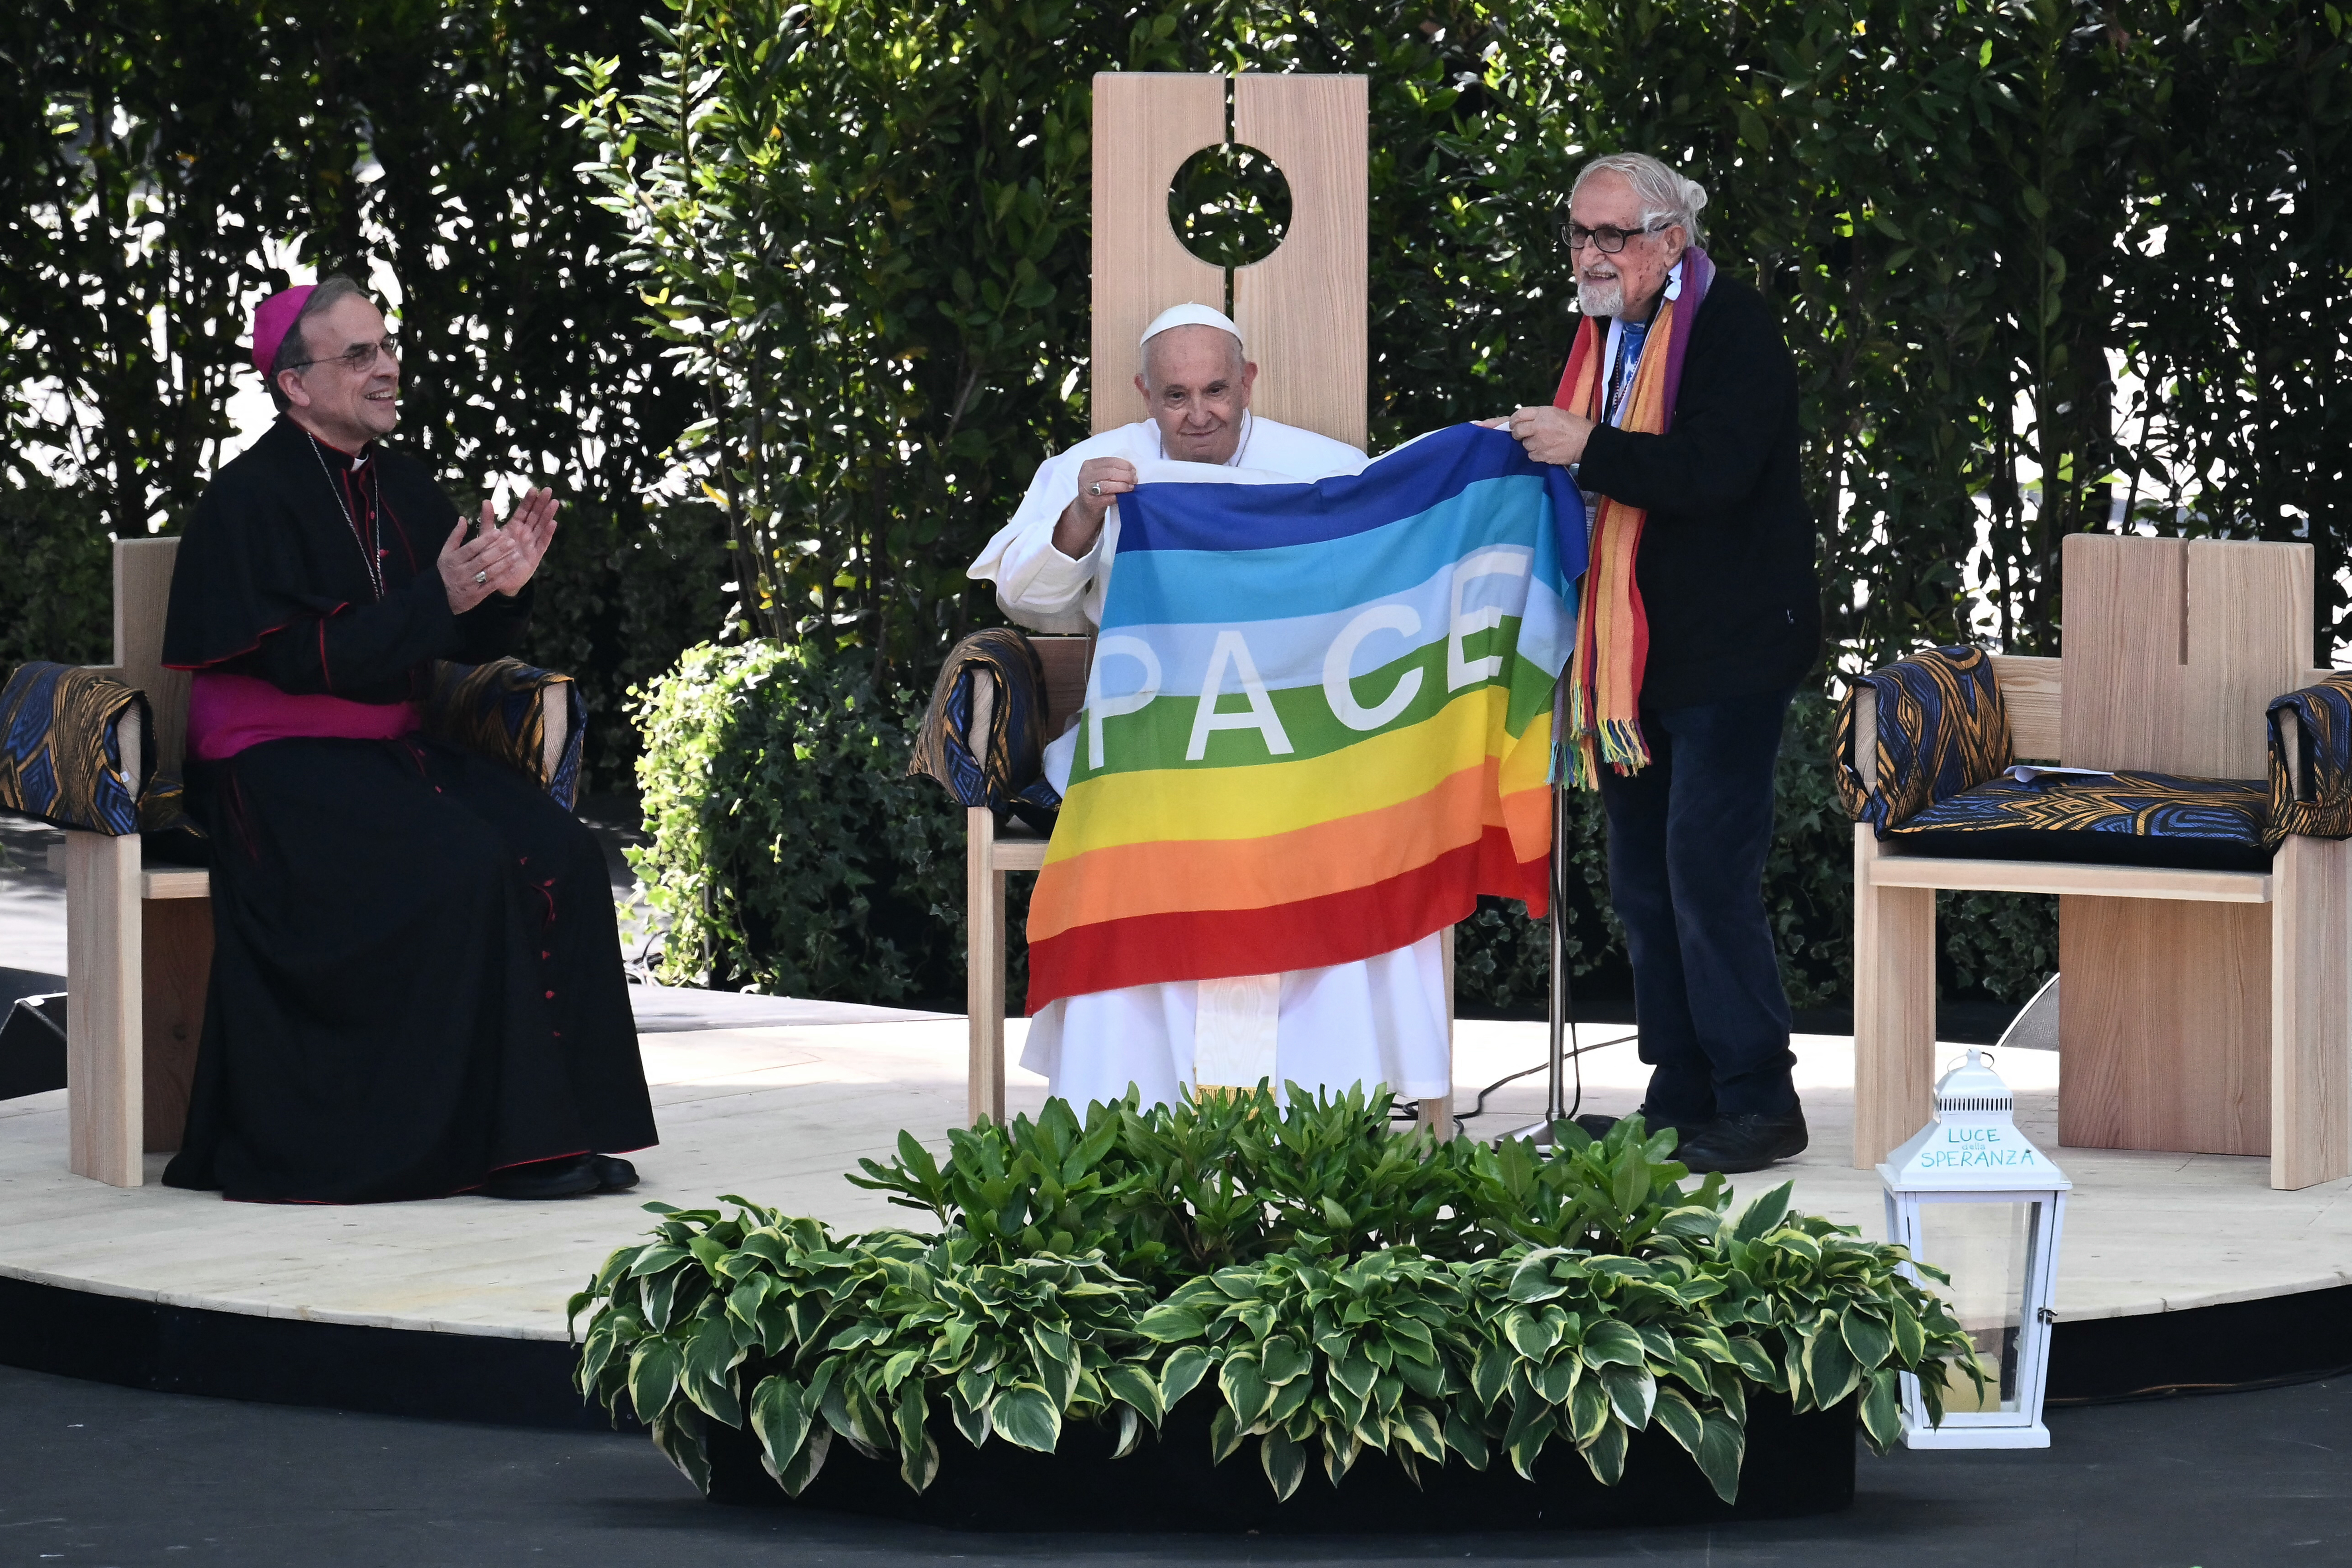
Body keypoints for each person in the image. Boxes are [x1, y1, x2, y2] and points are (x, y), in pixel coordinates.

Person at [158, 276, 657, 1203]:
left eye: (385, 349)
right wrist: (444, 598)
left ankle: (561, 1130)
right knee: (463, 863)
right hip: (274, 767)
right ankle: (501, 1149)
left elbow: (454, 635)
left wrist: (506, 589)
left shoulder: (402, 482)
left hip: (389, 751)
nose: (386, 368)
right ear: (295, 384)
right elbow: (306, 661)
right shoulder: (246, 500)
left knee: (565, 856)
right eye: (358, 356)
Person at [969, 303, 1452, 1113]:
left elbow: (1388, 583)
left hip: (1300, 741)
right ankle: (1133, 1097)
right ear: (1144, 394)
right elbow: (1026, 597)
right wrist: (1086, 513)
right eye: (1176, 397)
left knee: (1361, 833)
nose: (1199, 415)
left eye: (1217, 392)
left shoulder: (1329, 469)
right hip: (1148, 738)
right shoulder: (1096, 466)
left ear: (1249, 382)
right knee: (1143, 844)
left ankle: (1324, 1102)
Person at [1499, 153, 1821, 1175]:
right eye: (1579, 235)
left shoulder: (1737, 328)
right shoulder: (1605, 335)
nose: (1591, 256)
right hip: (1631, 655)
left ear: (1671, 241)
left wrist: (1582, 448)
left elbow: (1714, 476)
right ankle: (1679, 1096)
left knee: (1705, 876)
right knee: (1642, 883)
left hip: (1727, 653)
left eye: (1614, 237)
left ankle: (1760, 1100)